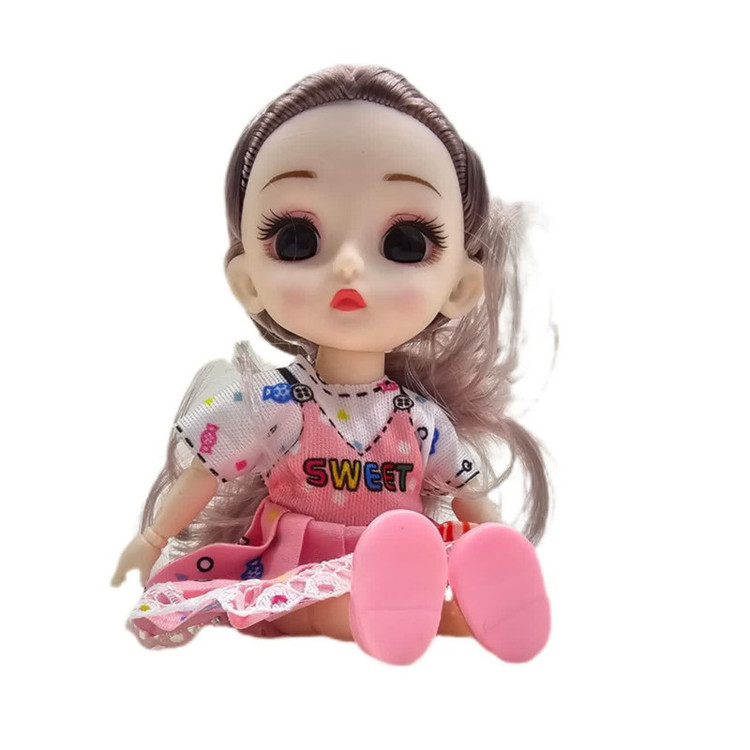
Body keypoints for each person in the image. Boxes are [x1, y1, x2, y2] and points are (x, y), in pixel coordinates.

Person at [112, 64, 551, 665]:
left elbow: (467, 491)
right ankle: (379, 611)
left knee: (426, 570)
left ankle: (465, 607)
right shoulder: (273, 405)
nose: (348, 265)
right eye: (296, 239)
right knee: (312, 603)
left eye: (405, 244)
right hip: (300, 563)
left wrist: (497, 541)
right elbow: (207, 472)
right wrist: (153, 538)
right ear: (248, 282)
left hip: (409, 554)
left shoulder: (421, 421)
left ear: (459, 287)